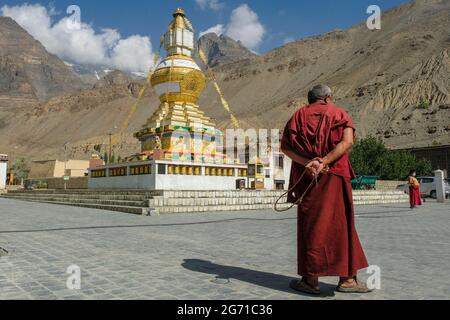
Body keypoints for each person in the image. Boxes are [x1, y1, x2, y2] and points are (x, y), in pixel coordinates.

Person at [281, 85, 371, 295]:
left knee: (311, 227)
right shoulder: (338, 113)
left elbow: (285, 148)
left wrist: (309, 163)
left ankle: (310, 280)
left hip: (308, 180)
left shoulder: (297, 116)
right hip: (335, 176)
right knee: (342, 226)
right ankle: (347, 279)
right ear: (328, 98)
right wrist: (324, 162)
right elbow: (347, 142)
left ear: (310, 99)